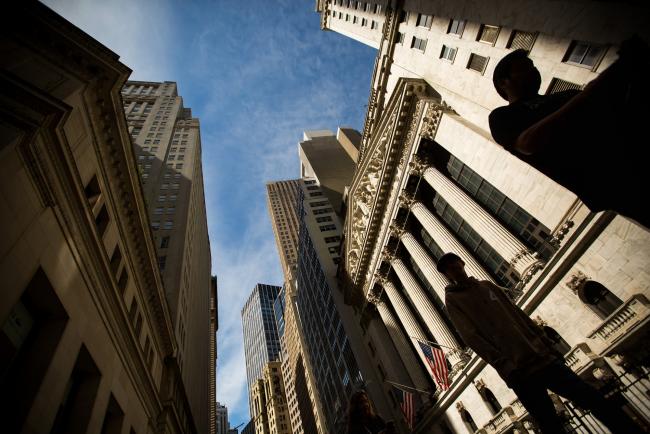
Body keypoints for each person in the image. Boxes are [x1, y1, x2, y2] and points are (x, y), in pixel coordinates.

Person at [437, 252, 642, 434]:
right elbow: (471, 337)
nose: (453, 270)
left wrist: (545, 341)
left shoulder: (487, 286)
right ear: (447, 275)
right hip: (519, 372)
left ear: (462, 263)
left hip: (541, 357)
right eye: (448, 269)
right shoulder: (453, 301)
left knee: (591, 397)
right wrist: (505, 365)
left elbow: (518, 314)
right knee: (550, 424)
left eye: (454, 264)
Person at [488, 39, 649, 229]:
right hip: (614, 182)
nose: (534, 71)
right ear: (504, 82)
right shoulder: (502, 116)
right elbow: (528, 143)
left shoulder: (565, 95)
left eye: (533, 66)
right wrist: (592, 90)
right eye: (524, 68)